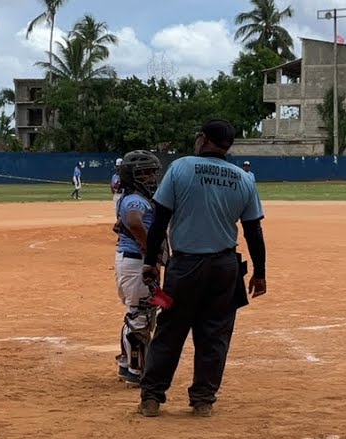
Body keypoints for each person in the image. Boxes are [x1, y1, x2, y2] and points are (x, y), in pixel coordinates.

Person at [138, 119, 268, 418]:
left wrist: (150, 263)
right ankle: (203, 400)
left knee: (170, 331)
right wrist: (260, 273)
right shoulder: (244, 179)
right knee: (215, 334)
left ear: (202, 139)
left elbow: (159, 220)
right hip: (224, 267)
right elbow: (253, 231)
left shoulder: (181, 168)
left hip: (185, 265)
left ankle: (152, 397)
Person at [112, 151, 163, 386]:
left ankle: (126, 364)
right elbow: (134, 221)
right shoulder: (136, 200)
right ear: (133, 176)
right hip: (136, 262)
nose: (152, 177)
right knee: (141, 316)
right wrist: (149, 250)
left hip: (130, 261)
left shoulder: (134, 196)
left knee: (137, 313)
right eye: (146, 173)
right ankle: (136, 370)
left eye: (154, 172)